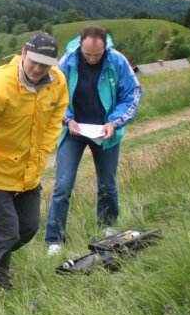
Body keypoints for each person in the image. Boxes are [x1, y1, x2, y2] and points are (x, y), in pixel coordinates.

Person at [0, 32, 69, 290]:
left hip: (29, 171)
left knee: (29, 227)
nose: (38, 69)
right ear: (23, 53)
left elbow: (57, 114)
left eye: (45, 64)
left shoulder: (57, 81)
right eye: (34, 61)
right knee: (8, 232)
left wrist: (45, 148)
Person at [45, 25, 142, 256]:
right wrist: (67, 119)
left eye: (96, 55)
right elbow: (53, 96)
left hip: (106, 131)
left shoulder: (117, 61)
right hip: (74, 130)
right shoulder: (68, 61)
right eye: (87, 54)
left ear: (105, 47)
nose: (91, 59)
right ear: (80, 45)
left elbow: (133, 94)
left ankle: (107, 225)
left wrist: (114, 122)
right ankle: (54, 239)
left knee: (107, 183)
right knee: (62, 185)